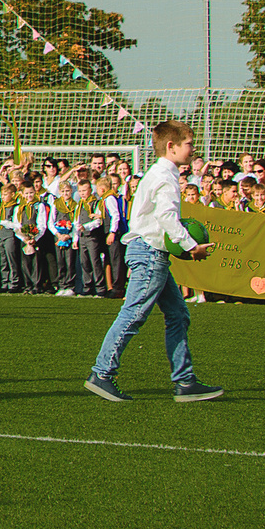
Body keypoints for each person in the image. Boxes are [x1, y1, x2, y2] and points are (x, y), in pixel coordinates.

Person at [85, 121, 222, 402]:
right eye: (189, 144)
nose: (193, 149)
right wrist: (191, 246)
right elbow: (167, 217)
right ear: (171, 147)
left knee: (178, 314)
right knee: (134, 314)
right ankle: (102, 373)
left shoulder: (160, 172)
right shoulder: (165, 176)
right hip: (148, 254)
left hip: (149, 252)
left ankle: (184, 381)